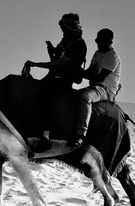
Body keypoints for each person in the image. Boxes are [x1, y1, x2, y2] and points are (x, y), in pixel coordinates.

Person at [24, 13, 88, 150]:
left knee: (47, 98)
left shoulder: (78, 45)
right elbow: (56, 60)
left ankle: (46, 138)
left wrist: (36, 64)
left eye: (64, 27)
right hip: (53, 76)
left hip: (64, 80)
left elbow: (60, 64)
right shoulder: (66, 40)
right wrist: (51, 51)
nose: (62, 30)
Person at [73, 28, 122, 147]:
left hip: (106, 89)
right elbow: (90, 71)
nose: (97, 43)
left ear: (108, 42)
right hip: (95, 86)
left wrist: (78, 72)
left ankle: (81, 134)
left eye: (99, 41)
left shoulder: (113, 57)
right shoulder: (97, 53)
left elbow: (99, 77)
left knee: (85, 97)